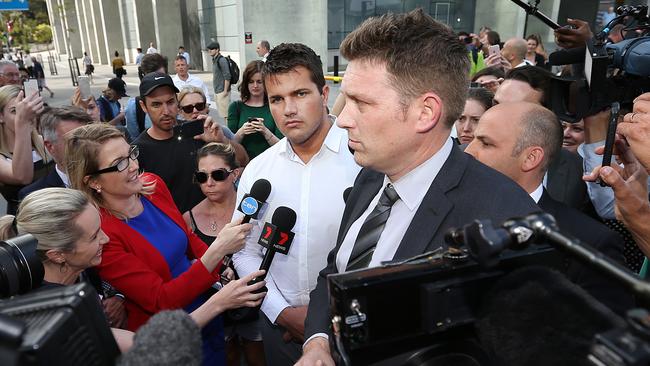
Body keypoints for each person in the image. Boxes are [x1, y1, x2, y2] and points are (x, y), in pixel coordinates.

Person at [297, 10, 538, 365]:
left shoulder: (505, 220)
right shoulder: (369, 176)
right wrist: (317, 342)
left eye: (361, 103)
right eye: (347, 101)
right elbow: (336, 270)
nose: (343, 119)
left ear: (426, 113)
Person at [65, 123, 259, 365]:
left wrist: (219, 267)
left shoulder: (152, 185)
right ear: (93, 181)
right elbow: (161, 300)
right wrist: (219, 249)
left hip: (208, 313)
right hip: (167, 339)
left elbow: (186, 238)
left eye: (131, 154)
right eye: (120, 163)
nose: (134, 166)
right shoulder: (103, 235)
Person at [1, 187, 267, 353]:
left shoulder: (79, 272)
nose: (106, 240)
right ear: (58, 254)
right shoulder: (54, 312)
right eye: (94, 237)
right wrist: (218, 303)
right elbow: (148, 344)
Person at [233, 43, 361, 366]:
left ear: (324, 93)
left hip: (351, 327)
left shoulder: (363, 162)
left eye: (300, 94)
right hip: (279, 331)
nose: (289, 109)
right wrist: (282, 313)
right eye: (277, 99)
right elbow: (244, 250)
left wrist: (322, 322)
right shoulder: (258, 171)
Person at [465, 102, 633, 313]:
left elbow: (600, 337)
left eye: (486, 144)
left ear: (530, 158)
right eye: (473, 140)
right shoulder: (447, 209)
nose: (469, 151)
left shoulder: (587, 243)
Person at [182, 143, 265, 366]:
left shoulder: (256, 210)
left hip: (257, 305)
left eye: (218, 175)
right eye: (202, 176)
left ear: (235, 174)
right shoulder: (188, 219)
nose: (209, 183)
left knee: (259, 358)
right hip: (214, 311)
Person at [132, 72, 223, 213]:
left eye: (170, 102)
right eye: (156, 105)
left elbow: (240, 161)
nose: (166, 111)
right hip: (174, 229)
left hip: (210, 222)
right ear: (143, 106)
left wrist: (221, 142)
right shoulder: (138, 152)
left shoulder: (196, 131)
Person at [19, 107, 94, 200]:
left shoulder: (109, 175)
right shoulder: (35, 197)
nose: (86, 146)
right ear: (50, 146)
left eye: (90, 138)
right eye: (75, 141)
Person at [0, 85, 51, 215]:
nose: (24, 115)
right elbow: (22, 177)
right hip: (27, 223)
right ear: (1, 117)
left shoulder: (42, 141)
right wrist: (22, 124)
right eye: (14, 111)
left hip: (57, 214)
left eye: (27, 110)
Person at [177, 86, 249, 168]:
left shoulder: (219, 130)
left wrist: (222, 140)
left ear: (206, 107)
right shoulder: (177, 136)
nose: (195, 111)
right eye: (188, 108)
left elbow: (244, 161)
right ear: (180, 112)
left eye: (200, 106)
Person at [228, 60, 283, 159]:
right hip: (243, 163)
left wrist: (264, 131)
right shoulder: (236, 107)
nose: (255, 86)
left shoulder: (275, 106)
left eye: (259, 82)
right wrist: (242, 131)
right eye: (251, 82)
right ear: (246, 83)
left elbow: (282, 146)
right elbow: (229, 146)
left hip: (270, 162)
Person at [207, 42, 231, 119]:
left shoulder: (221, 60)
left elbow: (227, 76)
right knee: (223, 115)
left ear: (217, 50)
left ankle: (230, 131)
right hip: (217, 91)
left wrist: (225, 91)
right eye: (209, 49)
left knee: (226, 115)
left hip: (222, 91)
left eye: (212, 49)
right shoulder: (214, 60)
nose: (209, 51)